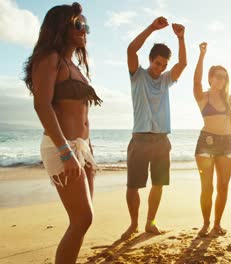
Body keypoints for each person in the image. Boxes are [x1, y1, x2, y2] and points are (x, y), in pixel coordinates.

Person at [23, 2, 102, 263]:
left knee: (83, 220)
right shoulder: (50, 58)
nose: (84, 30)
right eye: (78, 25)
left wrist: (87, 148)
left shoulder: (75, 66)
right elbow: (41, 105)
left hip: (82, 148)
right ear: (60, 27)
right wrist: (65, 151)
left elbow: (81, 114)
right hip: (62, 147)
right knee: (82, 219)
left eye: (86, 25)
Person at [121, 16, 187, 239]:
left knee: (158, 184)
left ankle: (150, 222)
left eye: (164, 65)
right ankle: (133, 224)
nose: (160, 68)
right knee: (133, 186)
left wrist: (181, 38)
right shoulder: (137, 76)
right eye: (157, 63)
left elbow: (183, 64)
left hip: (161, 140)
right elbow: (131, 49)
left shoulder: (166, 80)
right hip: (139, 138)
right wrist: (151, 27)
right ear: (150, 60)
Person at [193, 42, 231, 237]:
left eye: (224, 76)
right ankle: (205, 224)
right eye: (217, 76)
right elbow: (196, 82)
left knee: (223, 186)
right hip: (206, 142)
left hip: (227, 143)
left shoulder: (230, 99)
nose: (221, 79)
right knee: (207, 186)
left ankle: (217, 224)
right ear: (211, 78)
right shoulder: (202, 97)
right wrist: (202, 56)